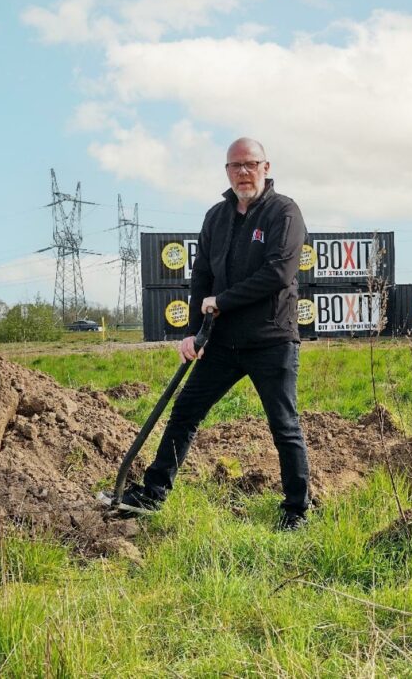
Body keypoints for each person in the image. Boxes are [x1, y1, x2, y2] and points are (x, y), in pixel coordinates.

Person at [115, 137, 311, 530]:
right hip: (220, 342)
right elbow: (201, 276)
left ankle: (296, 510)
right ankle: (153, 494)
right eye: (235, 166)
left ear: (266, 167)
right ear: (226, 171)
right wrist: (192, 332)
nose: (243, 172)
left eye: (250, 164)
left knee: (284, 426)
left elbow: (277, 274)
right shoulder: (216, 217)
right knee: (184, 413)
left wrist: (222, 300)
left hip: (271, 339)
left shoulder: (284, 213)